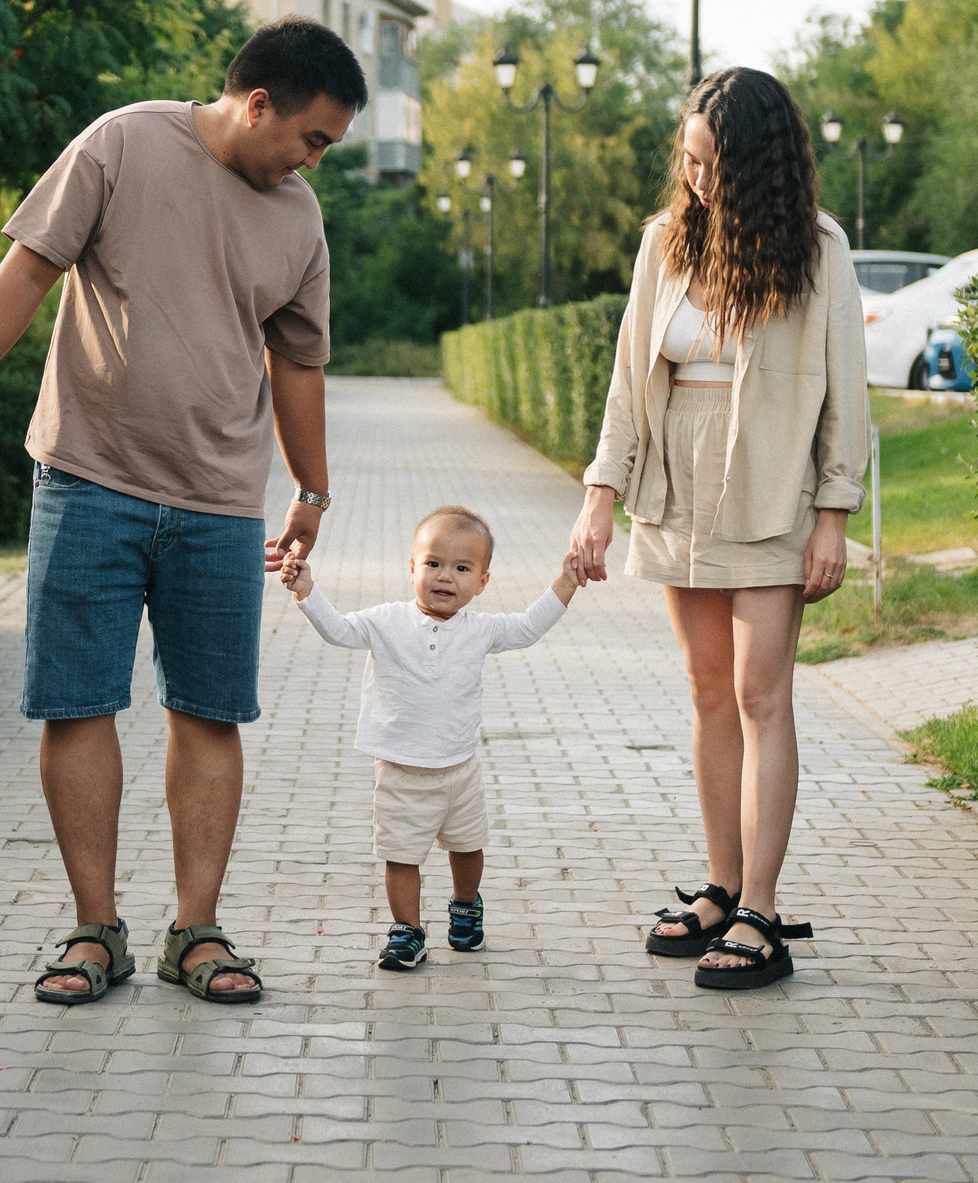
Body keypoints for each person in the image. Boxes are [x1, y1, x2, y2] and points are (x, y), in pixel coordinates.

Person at [0, 19, 366, 1007]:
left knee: (210, 711)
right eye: (312, 138)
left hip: (219, 501)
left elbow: (298, 363)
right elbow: (26, 272)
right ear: (258, 104)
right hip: (89, 478)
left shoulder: (298, 217)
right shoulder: (121, 143)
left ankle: (196, 931)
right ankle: (95, 929)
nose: (312, 161)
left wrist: (312, 490)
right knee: (76, 702)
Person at [565, 67, 867, 991]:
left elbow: (846, 393)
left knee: (760, 694)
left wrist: (833, 515)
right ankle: (721, 885)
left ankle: (762, 911)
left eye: (713, 165)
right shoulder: (664, 242)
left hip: (772, 489)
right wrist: (600, 494)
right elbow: (628, 382)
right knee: (707, 692)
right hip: (677, 486)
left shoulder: (817, 249)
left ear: (759, 162)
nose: (696, 180)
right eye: (688, 161)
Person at [274, 507, 583, 971]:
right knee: (400, 855)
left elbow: (527, 627)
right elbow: (339, 631)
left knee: (468, 846)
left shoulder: (481, 630)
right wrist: (306, 590)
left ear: (482, 582)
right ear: (412, 568)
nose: (445, 576)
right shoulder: (386, 621)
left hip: (460, 769)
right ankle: (407, 930)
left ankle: (466, 905)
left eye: (462, 568)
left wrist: (567, 582)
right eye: (433, 563)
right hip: (400, 771)